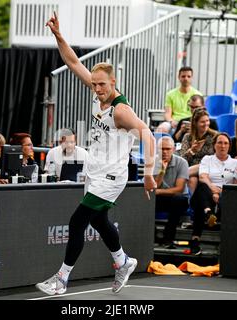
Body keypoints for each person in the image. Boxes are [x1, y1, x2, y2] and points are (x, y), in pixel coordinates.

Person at [35, 12, 156, 296]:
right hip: (96, 169)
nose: (98, 88)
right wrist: (58, 35)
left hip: (112, 176)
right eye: (95, 84)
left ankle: (61, 280)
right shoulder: (95, 91)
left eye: (103, 84)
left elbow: (148, 135)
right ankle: (122, 262)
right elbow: (72, 61)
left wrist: (149, 174)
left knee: (77, 221)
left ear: (113, 83)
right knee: (99, 220)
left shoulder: (121, 111)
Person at [185, 133, 237, 255]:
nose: (222, 146)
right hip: (206, 194)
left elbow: (236, 186)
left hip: (225, 198)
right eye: (219, 143)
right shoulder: (207, 159)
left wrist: (220, 193)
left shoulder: (236, 164)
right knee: (201, 186)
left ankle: (195, 241)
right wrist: (213, 189)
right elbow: (203, 177)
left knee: (202, 201)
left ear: (229, 146)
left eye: (226, 143)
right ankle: (208, 212)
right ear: (214, 145)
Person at [153, 136, 189, 249]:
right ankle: (153, 235)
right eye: (161, 149)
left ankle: (168, 237)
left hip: (177, 199)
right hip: (161, 198)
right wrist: (162, 171)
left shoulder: (182, 162)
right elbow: (153, 187)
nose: (164, 152)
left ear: (173, 149)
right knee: (145, 201)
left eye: (167, 149)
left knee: (178, 199)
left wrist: (158, 191)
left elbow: (179, 189)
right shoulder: (153, 162)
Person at [178, 108, 217, 193]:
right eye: (202, 122)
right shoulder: (188, 137)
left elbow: (217, 157)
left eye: (207, 121)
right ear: (195, 123)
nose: (206, 124)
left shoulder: (214, 136)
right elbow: (182, 160)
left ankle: (177, 182)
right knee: (192, 180)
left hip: (209, 167)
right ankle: (192, 204)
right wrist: (191, 151)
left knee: (185, 173)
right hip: (193, 170)